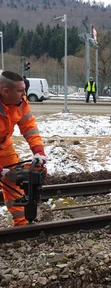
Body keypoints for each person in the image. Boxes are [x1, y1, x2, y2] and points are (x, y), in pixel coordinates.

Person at [0, 71, 47, 226]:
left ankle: (21, 223)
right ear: (5, 91)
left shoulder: (21, 102)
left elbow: (29, 127)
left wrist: (38, 151)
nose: (24, 94)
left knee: (13, 182)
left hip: (4, 145)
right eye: (20, 90)